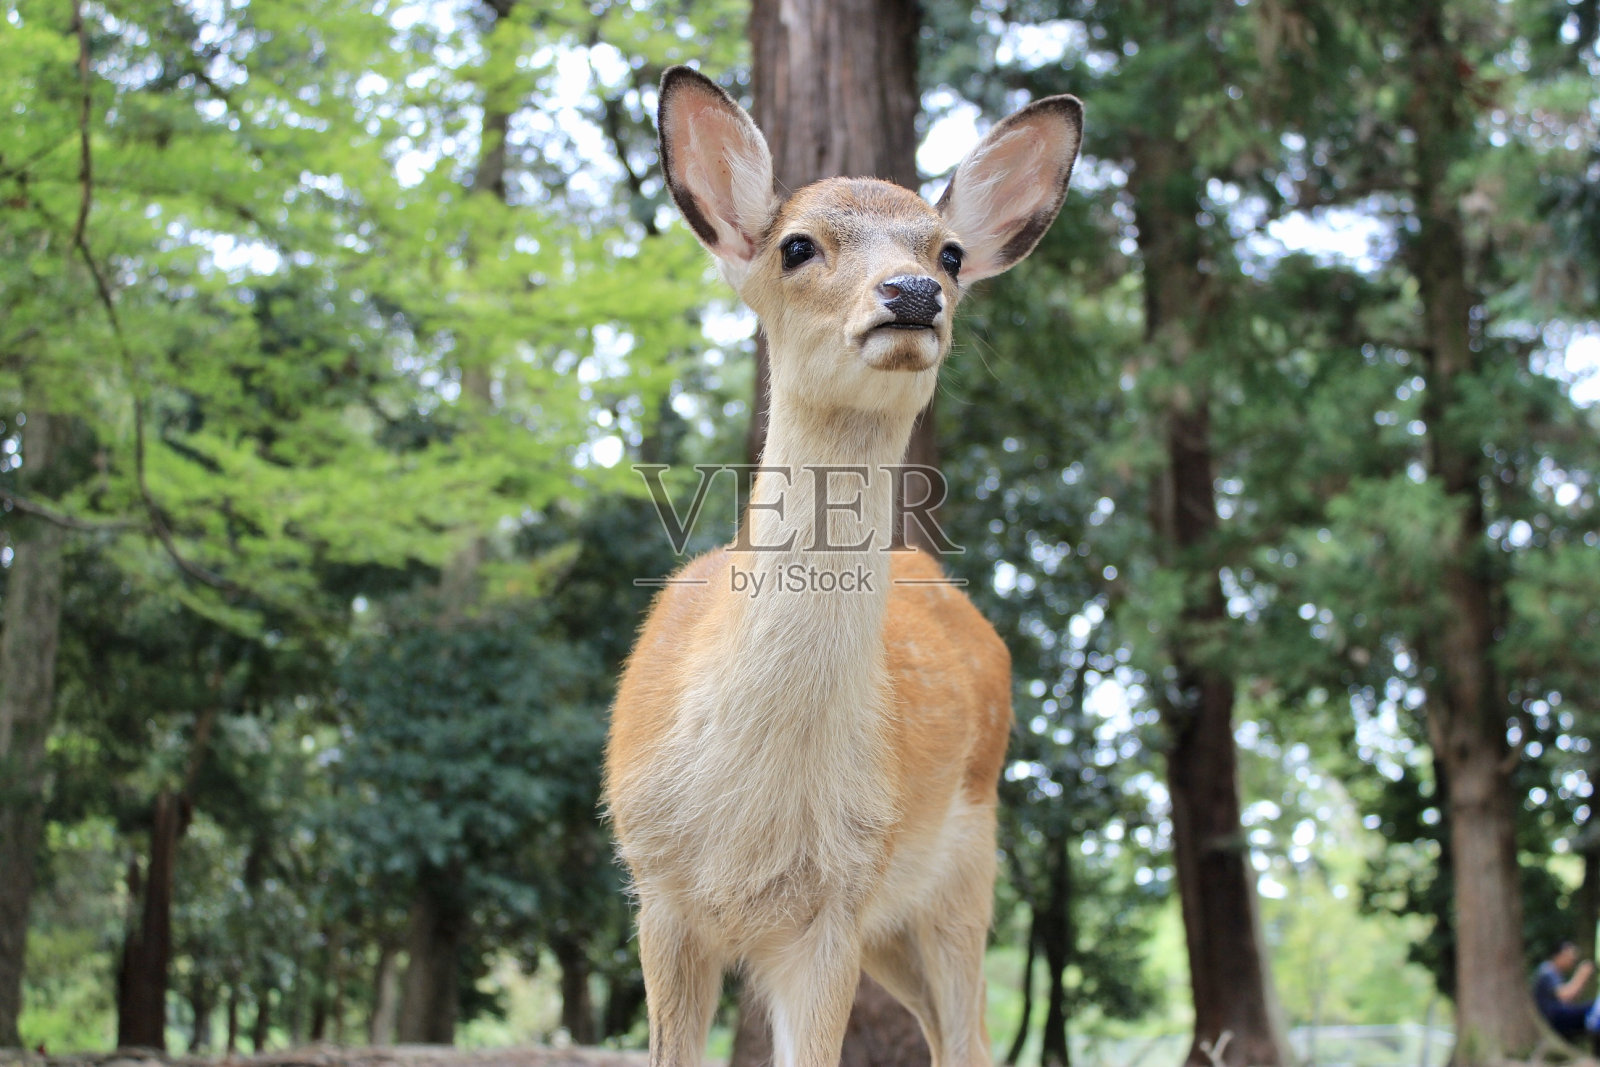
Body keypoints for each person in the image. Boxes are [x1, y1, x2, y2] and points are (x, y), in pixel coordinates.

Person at [1533, 940, 1596, 1038]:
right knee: (1594, 1008)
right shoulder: (1547, 971)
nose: (1572, 960)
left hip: (1558, 1015)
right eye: (1570, 957)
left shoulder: (1556, 972)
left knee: (1593, 1008)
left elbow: (1572, 999)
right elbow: (1565, 996)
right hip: (1552, 1018)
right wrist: (1581, 975)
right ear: (1559, 955)